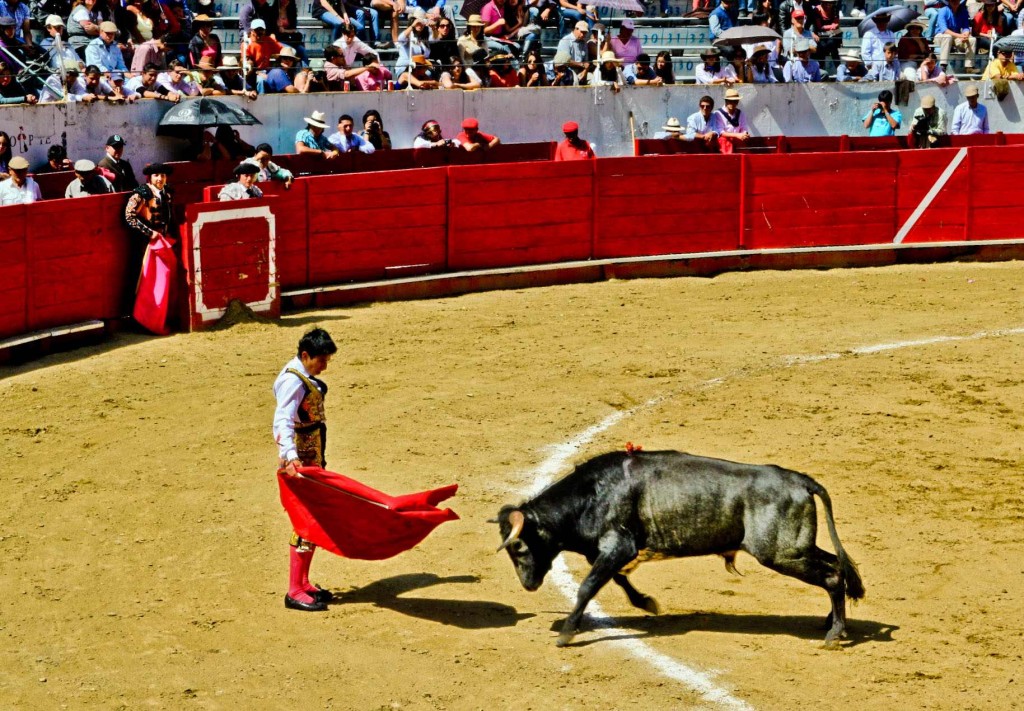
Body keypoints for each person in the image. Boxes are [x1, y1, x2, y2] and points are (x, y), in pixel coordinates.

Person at [273, 327, 339, 612]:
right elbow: (282, 420)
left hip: (310, 455)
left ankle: (303, 582)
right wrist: (289, 457)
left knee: (311, 520)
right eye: (321, 360)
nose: (324, 365)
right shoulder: (293, 381)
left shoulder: (298, 373)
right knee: (305, 521)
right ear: (305, 355)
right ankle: (294, 590)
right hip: (300, 461)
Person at [935, 0, 978, 74]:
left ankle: (969, 67)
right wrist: (960, 35)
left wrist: (966, 35)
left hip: (956, 36)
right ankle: (943, 66)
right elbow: (944, 30)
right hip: (940, 36)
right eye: (952, 0)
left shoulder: (963, 11)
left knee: (972, 39)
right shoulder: (943, 10)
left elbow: (966, 27)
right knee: (947, 37)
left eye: (957, 0)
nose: (955, 2)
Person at [709, 88, 749, 153]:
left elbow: (744, 128)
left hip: (738, 142)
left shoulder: (740, 113)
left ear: (738, 102)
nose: (732, 103)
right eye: (730, 101)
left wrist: (744, 134)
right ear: (726, 101)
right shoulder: (718, 113)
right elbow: (721, 132)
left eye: (735, 101)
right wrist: (737, 135)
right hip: (724, 144)